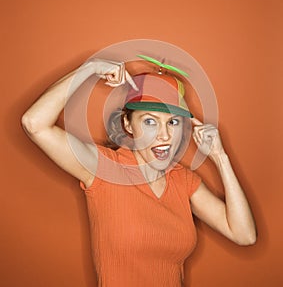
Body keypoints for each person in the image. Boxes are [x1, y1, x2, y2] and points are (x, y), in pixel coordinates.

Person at [21, 58, 257, 287]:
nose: (164, 135)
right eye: (150, 122)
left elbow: (244, 235)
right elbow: (34, 123)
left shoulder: (183, 179)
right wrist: (89, 68)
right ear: (127, 124)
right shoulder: (105, 168)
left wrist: (220, 158)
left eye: (173, 122)